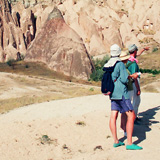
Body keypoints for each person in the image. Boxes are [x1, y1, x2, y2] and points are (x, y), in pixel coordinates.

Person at [104, 44, 142, 150]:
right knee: (131, 115)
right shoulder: (119, 64)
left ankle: (116, 141)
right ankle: (129, 143)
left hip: (113, 94)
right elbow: (125, 79)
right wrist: (132, 76)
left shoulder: (108, 63)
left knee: (113, 116)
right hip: (122, 93)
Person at [127, 44, 149, 122]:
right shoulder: (133, 63)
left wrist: (143, 49)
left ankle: (132, 117)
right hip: (134, 83)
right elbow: (135, 77)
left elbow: (138, 54)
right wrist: (138, 88)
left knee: (132, 100)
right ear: (135, 51)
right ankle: (133, 118)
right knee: (136, 101)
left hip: (130, 83)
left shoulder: (129, 59)